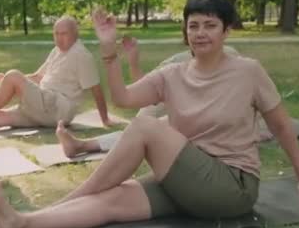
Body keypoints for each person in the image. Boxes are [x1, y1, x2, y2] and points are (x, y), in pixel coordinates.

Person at [0, 0, 299, 228]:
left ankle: (66, 200)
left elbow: (280, 124)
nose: (200, 33)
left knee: (146, 127)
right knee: (112, 200)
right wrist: (108, 50)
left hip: (231, 187)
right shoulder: (173, 74)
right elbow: (123, 98)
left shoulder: (248, 72)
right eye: (193, 25)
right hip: (185, 182)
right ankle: (23, 225)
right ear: (185, 31)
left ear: (226, 31)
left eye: (210, 25)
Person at [56, 42, 240, 158]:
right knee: (145, 127)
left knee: (151, 129)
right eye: (194, 26)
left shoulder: (230, 59)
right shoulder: (177, 62)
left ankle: (82, 145)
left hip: (203, 123)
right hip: (174, 115)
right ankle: (82, 145)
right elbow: (145, 89)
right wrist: (133, 62)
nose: (201, 34)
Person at [0, 16, 113, 130]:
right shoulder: (56, 51)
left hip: (56, 108)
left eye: (63, 34)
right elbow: (37, 77)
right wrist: (6, 81)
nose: (59, 38)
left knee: (13, 75)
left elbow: (96, 89)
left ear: (75, 34)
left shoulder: (82, 56)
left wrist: (105, 119)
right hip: (41, 106)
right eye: (56, 34)